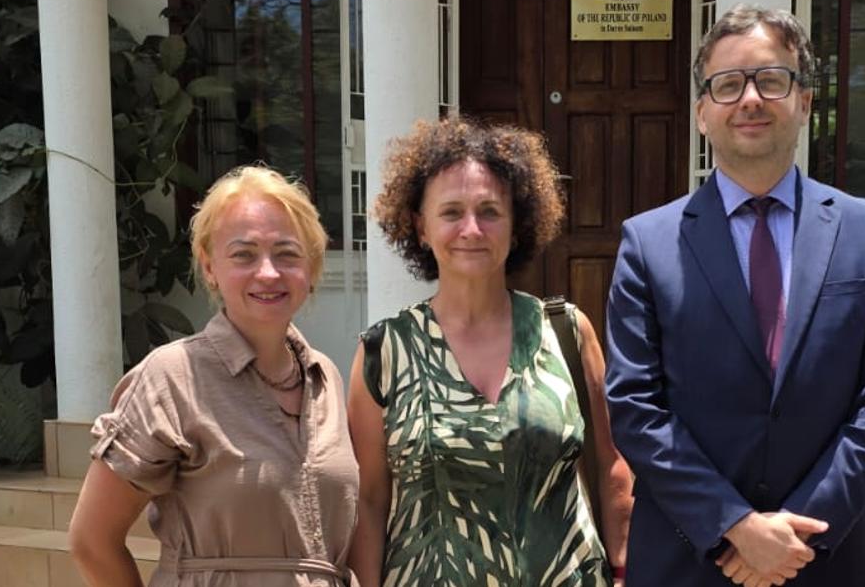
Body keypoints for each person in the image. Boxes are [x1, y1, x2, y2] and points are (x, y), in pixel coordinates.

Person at [605, 5, 865, 587]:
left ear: (803, 101)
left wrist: (796, 537)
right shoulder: (648, 244)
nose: (750, 99)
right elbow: (636, 409)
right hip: (690, 559)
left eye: (771, 80)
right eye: (727, 85)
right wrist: (734, 526)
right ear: (702, 112)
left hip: (823, 558)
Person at [347, 117, 632, 587]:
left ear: (517, 226)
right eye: (451, 212)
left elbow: (611, 465)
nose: (472, 229)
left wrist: (622, 570)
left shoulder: (565, 332)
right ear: (420, 227)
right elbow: (370, 501)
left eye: (490, 211)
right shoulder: (384, 352)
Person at [68, 165, 359, 587]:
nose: (268, 272)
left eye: (287, 253)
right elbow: (91, 540)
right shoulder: (172, 377)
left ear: (311, 269)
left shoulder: (326, 377)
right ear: (209, 266)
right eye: (244, 254)